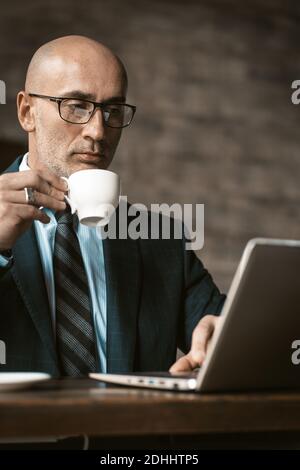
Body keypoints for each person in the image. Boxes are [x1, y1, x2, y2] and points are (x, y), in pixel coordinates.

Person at [0, 35, 225, 376]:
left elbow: (230, 332)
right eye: (76, 105)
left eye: (112, 110)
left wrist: (221, 335)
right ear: (27, 112)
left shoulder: (160, 240)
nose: (98, 131)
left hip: (127, 428)